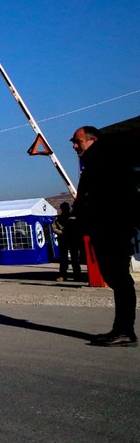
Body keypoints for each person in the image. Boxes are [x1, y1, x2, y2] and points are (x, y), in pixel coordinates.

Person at [71, 126, 139, 347]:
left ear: (92, 140)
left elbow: (109, 195)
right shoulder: (96, 159)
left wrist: (86, 212)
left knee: (118, 277)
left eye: (77, 141)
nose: (74, 146)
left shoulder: (105, 158)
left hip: (112, 227)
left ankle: (124, 330)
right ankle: (122, 329)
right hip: (107, 226)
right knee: (115, 277)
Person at [52, 202, 84, 282]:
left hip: (73, 239)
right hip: (63, 239)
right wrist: (61, 232)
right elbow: (54, 228)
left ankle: (77, 275)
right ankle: (63, 275)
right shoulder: (58, 219)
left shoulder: (73, 217)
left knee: (75, 258)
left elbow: (79, 227)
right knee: (63, 259)